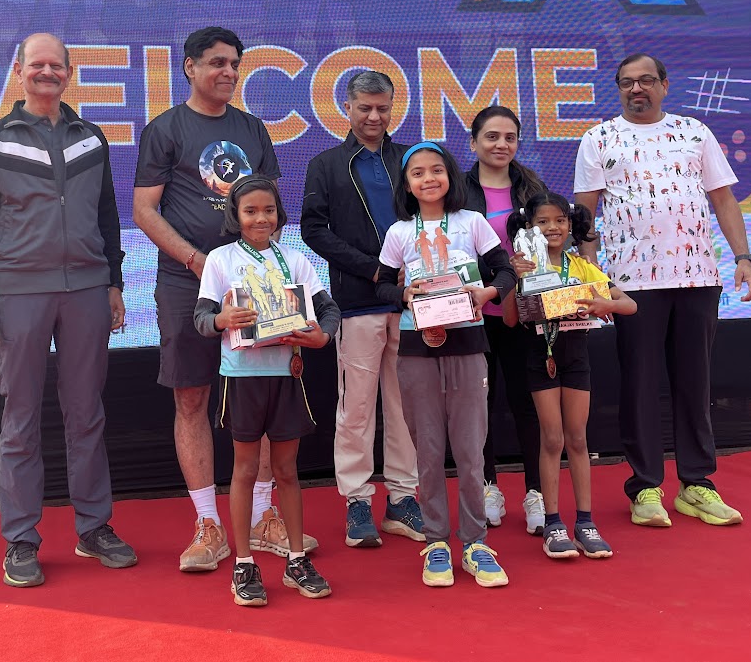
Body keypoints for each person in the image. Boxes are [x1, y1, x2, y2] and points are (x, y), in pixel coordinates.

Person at [133, 26, 316, 571]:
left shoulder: (252, 128)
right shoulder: (165, 129)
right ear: (190, 67)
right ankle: (208, 525)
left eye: (235, 64)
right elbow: (144, 210)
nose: (229, 72)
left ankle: (262, 516)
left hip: (256, 286)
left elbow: (270, 209)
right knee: (191, 398)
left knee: (262, 393)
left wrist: (263, 272)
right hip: (185, 282)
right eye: (217, 63)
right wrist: (199, 262)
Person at [0, 33, 135, 588]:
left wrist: (113, 282)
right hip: (20, 294)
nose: (47, 72)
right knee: (21, 420)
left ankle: (93, 528)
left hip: (87, 290)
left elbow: (107, 217)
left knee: (87, 415)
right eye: (37, 64)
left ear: (69, 72)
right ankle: (21, 539)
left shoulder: (91, 138)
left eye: (56, 65)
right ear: (18, 71)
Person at [574, 54, 751, 528]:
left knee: (694, 382)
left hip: (698, 277)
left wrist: (743, 258)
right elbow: (584, 215)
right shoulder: (598, 138)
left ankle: (697, 484)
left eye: (646, 81)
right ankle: (645, 487)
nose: (637, 89)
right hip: (632, 284)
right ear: (619, 89)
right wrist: (593, 276)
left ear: (664, 85)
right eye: (627, 83)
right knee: (639, 384)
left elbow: (723, 199)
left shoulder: (694, 132)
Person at [375, 142, 517, 589]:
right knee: (429, 451)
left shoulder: (472, 222)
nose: (429, 179)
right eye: (417, 173)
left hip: (468, 343)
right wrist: (405, 294)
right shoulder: (399, 232)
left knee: (471, 450)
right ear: (407, 185)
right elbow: (381, 286)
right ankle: (436, 541)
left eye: (437, 170)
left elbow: (505, 271)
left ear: (451, 176)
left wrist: (487, 293)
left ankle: (475, 542)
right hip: (417, 348)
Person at [195, 177, 340, 606]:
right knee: (244, 469)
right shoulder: (221, 260)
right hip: (241, 377)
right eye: (251, 211)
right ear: (235, 216)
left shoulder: (294, 259)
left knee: (287, 471)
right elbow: (202, 319)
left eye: (269, 210)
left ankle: (296, 560)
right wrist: (222, 320)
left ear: (280, 214)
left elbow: (328, 309)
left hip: (286, 374)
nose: (261, 218)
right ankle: (244, 563)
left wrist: (322, 336)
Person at [300, 70, 422, 548]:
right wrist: (374, 271)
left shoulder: (410, 160)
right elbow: (314, 230)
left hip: (413, 301)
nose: (374, 116)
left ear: (393, 108)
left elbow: (431, 218)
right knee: (355, 407)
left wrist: (415, 273)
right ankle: (357, 501)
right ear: (346, 108)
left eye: (382, 108)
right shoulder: (326, 164)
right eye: (365, 108)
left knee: (405, 404)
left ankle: (403, 498)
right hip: (357, 302)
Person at [503, 193, 637, 560]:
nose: (552, 228)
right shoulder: (525, 266)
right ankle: (552, 523)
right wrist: (517, 279)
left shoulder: (581, 266)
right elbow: (510, 319)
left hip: (577, 359)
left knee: (578, 438)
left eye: (559, 220)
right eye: (543, 222)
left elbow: (630, 304)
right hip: (539, 357)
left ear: (570, 224)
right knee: (552, 438)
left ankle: (585, 522)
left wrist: (605, 303)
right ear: (529, 227)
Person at [464, 105, 548, 534]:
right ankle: (487, 487)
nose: (501, 144)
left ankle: (536, 492)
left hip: (525, 313)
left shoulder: (532, 188)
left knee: (527, 404)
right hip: (474, 314)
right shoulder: (457, 191)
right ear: (474, 142)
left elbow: (554, 239)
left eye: (510, 137)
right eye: (492, 136)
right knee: (479, 406)